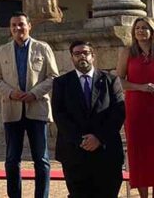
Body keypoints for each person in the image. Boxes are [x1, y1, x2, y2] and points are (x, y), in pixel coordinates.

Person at [0, 11, 58, 198]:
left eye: (21, 24)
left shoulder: (42, 48)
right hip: (12, 110)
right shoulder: (2, 51)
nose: (17, 28)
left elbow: (53, 77)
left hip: (37, 109)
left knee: (41, 159)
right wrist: (11, 92)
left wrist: (34, 93)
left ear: (29, 26)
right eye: (13, 25)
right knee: (12, 160)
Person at [115, 18, 154, 198]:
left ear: (152, 31)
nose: (141, 31)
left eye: (144, 28)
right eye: (137, 28)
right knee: (140, 153)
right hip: (136, 108)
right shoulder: (128, 52)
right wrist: (140, 87)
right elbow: (119, 80)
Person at [52, 40, 126, 198]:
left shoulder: (111, 81)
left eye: (85, 53)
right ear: (72, 57)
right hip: (75, 153)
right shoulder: (61, 83)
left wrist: (99, 138)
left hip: (106, 153)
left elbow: (118, 113)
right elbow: (59, 115)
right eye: (77, 54)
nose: (81, 57)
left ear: (93, 56)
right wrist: (81, 140)